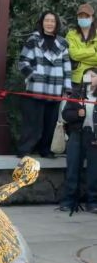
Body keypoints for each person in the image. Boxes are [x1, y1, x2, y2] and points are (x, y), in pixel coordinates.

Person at [17, 11, 72, 158]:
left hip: (55, 89)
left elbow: (67, 67)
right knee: (32, 123)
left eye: (52, 21)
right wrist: (33, 75)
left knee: (50, 123)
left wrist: (67, 88)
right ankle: (24, 150)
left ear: (56, 24)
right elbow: (22, 62)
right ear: (42, 23)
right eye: (46, 20)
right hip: (36, 88)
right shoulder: (33, 40)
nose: (49, 23)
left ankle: (45, 150)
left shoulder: (62, 43)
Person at [59, 68, 97, 213]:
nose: (89, 78)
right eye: (86, 75)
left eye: (93, 76)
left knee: (94, 171)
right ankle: (69, 201)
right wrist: (77, 113)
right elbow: (65, 114)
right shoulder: (76, 94)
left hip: (93, 136)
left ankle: (92, 202)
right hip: (76, 134)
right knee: (73, 168)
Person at [66, 3, 97, 86]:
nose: (83, 19)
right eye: (81, 16)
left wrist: (81, 58)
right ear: (77, 18)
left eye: (87, 16)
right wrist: (93, 50)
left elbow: (77, 56)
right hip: (76, 79)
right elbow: (73, 55)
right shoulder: (71, 35)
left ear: (92, 18)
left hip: (95, 78)